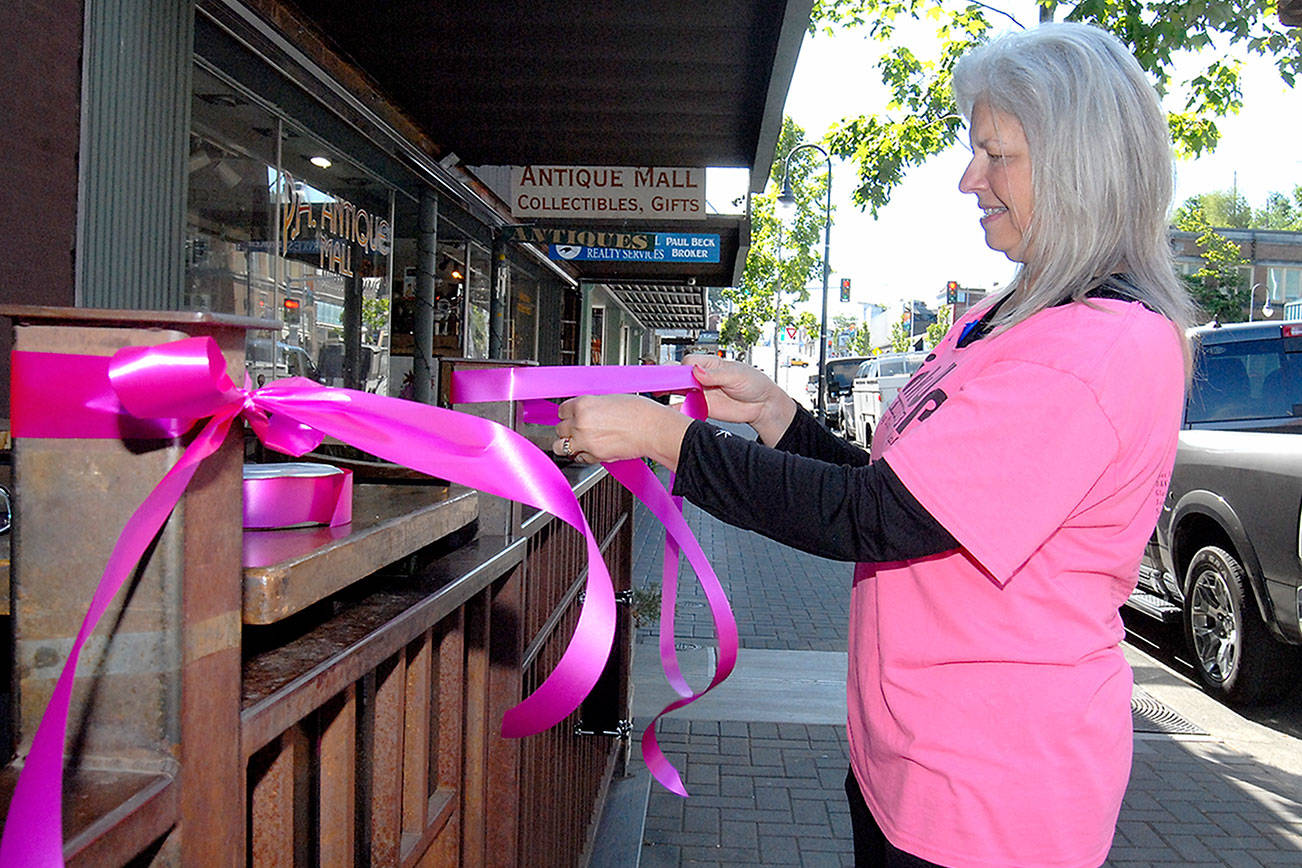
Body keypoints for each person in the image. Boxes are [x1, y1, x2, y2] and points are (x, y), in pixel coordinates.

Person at [552, 21, 1194, 868]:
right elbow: (910, 489)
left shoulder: (1097, 349)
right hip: (912, 761)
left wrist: (670, 440)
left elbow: (875, 518)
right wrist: (779, 414)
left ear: (1079, 164)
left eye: (997, 154)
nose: (971, 179)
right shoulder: (1001, 319)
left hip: (992, 799)